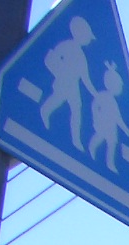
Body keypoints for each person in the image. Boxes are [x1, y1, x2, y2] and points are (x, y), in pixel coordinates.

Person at [39, 15, 96, 150]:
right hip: (63, 82)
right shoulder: (66, 45)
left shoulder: (82, 56)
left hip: (74, 86)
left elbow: (85, 78)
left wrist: (95, 94)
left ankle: (76, 140)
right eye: (88, 37)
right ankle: (44, 111)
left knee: (76, 109)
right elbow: (50, 59)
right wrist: (58, 72)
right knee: (58, 99)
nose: (89, 40)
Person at [88, 62, 129, 173]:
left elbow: (117, 117)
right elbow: (95, 106)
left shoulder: (113, 101)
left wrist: (125, 130)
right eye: (119, 84)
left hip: (111, 127)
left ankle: (110, 164)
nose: (121, 86)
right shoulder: (102, 95)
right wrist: (95, 117)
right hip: (102, 124)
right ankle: (91, 148)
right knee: (100, 137)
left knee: (112, 143)